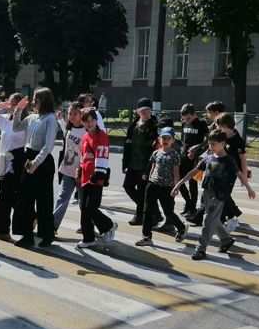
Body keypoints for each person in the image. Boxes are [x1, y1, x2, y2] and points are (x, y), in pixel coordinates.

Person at [173, 130, 255, 261]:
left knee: (207, 221)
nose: (210, 147)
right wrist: (179, 184)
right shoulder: (208, 158)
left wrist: (249, 189)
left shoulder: (229, 160)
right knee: (214, 220)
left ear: (223, 143)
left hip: (219, 195)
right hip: (207, 193)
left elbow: (239, 174)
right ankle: (226, 240)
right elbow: (194, 171)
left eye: (213, 144)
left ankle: (200, 249)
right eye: (209, 144)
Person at [11, 88, 59, 248]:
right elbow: (16, 127)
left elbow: (49, 145)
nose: (33, 103)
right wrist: (18, 110)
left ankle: (47, 235)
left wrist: (36, 163)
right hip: (28, 157)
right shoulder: (32, 117)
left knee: (44, 200)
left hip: (42, 162)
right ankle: (26, 235)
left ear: (43, 101)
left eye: (36, 100)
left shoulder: (51, 119)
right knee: (25, 198)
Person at [136, 127, 187, 247]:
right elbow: (153, 168)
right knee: (147, 210)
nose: (165, 140)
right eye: (163, 137)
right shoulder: (156, 153)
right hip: (153, 185)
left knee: (168, 212)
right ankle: (146, 236)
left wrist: (176, 187)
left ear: (173, 140)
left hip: (166, 187)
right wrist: (149, 179)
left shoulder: (175, 155)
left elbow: (176, 173)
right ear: (159, 139)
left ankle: (181, 228)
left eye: (168, 138)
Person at [76, 108, 116, 249]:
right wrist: (80, 169)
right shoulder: (85, 137)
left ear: (96, 121)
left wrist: (98, 174)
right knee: (84, 208)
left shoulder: (102, 136)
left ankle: (109, 226)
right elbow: (83, 156)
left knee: (91, 208)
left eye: (92, 120)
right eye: (86, 121)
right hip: (85, 178)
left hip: (96, 178)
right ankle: (88, 238)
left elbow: (103, 155)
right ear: (83, 123)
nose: (89, 123)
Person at [0, 94, 26, 241]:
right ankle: (31, 217)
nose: (10, 106)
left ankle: (1, 230)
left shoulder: (24, 122)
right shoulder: (5, 119)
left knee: (5, 196)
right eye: (9, 104)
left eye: (13, 104)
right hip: (4, 161)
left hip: (16, 161)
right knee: (11, 196)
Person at [185, 100, 227, 225]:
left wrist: (198, 148)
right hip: (212, 159)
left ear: (216, 112)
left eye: (209, 113)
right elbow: (209, 143)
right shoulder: (215, 125)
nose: (208, 115)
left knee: (218, 191)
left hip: (219, 162)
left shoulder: (222, 127)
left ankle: (225, 216)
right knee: (208, 189)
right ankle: (201, 215)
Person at [122, 97, 158, 225]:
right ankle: (151, 211)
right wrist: (124, 163)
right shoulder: (133, 126)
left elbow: (154, 149)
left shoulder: (154, 126)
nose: (146, 113)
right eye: (143, 111)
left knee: (143, 191)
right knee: (128, 186)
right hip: (133, 163)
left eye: (148, 111)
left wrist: (147, 169)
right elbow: (127, 145)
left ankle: (140, 216)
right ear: (137, 112)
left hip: (145, 165)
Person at [54, 103, 85, 232]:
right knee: (62, 198)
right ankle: (53, 226)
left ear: (81, 114)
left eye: (75, 114)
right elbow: (64, 129)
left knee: (84, 202)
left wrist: (82, 168)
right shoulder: (69, 128)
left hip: (81, 172)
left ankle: (88, 226)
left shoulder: (86, 131)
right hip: (68, 170)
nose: (71, 116)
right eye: (70, 113)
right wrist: (61, 119)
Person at [216, 113, 247, 232]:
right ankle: (224, 218)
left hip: (233, 171)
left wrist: (244, 176)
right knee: (220, 194)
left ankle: (231, 216)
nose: (218, 128)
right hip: (220, 169)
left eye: (219, 126)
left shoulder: (238, 140)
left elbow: (243, 159)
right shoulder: (222, 136)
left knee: (224, 195)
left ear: (225, 125)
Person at [178, 103, 209, 216]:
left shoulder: (201, 123)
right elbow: (184, 140)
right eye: (184, 118)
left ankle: (192, 208)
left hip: (195, 156)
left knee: (192, 182)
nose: (187, 120)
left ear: (193, 114)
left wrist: (197, 147)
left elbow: (208, 139)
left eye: (189, 118)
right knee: (179, 179)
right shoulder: (184, 123)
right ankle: (188, 203)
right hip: (184, 155)